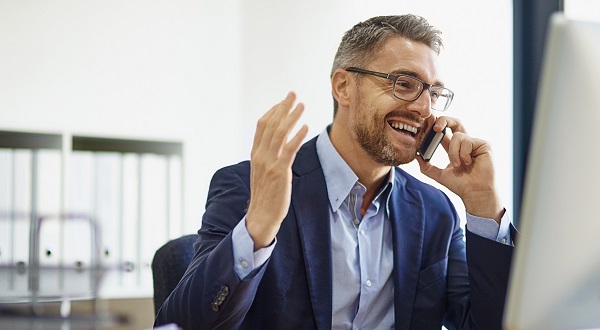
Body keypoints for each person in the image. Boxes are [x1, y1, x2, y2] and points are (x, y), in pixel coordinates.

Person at [155, 14, 516, 330]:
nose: (424, 109)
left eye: (434, 94)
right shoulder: (250, 186)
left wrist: (484, 206)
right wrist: (257, 229)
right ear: (343, 86)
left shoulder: (434, 211)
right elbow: (181, 324)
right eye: (404, 84)